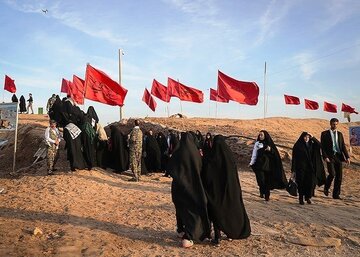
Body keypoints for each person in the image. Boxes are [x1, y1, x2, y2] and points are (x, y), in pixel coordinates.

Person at [202, 135, 251, 246]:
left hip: (214, 192)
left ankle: (217, 236)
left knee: (215, 213)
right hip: (230, 192)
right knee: (230, 212)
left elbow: (207, 175)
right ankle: (230, 233)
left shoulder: (211, 158)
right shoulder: (229, 157)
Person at [167, 132, 211, 248]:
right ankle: (190, 235)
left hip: (178, 187)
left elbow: (170, 168)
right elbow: (201, 168)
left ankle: (181, 230)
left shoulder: (178, 152)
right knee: (193, 211)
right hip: (193, 187)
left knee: (180, 209)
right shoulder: (195, 153)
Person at [249, 130, 287, 201]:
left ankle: (267, 196)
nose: (260, 136)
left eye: (262, 135)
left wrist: (270, 150)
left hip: (267, 166)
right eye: (259, 135)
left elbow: (275, 154)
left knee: (267, 181)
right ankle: (261, 191)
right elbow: (254, 154)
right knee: (261, 180)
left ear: (265, 136)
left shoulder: (269, 144)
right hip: (259, 165)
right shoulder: (257, 143)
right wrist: (251, 163)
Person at [291, 132, 325, 205]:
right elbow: (294, 158)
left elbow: (320, 145)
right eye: (305, 137)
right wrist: (293, 170)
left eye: (308, 137)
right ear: (302, 137)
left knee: (311, 183)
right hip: (300, 168)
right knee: (301, 183)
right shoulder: (297, 146)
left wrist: (313, 137)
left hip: (311, 168)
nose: (307, 138)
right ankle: (301, 198)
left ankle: (308, 197)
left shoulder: (312, 144)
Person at [321, 118, 350, 199]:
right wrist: (325, 157)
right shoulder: (324, 134)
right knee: (332, 174)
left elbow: (343, 146)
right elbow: (322, 147)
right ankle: (326, 187)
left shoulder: (340, 134)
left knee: (339, 176)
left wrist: (347, 157)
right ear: (330, 124)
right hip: (330, 157)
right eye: (333, 124)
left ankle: (336, 195)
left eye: (336, 124)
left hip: (338, 157)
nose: (335, 126)